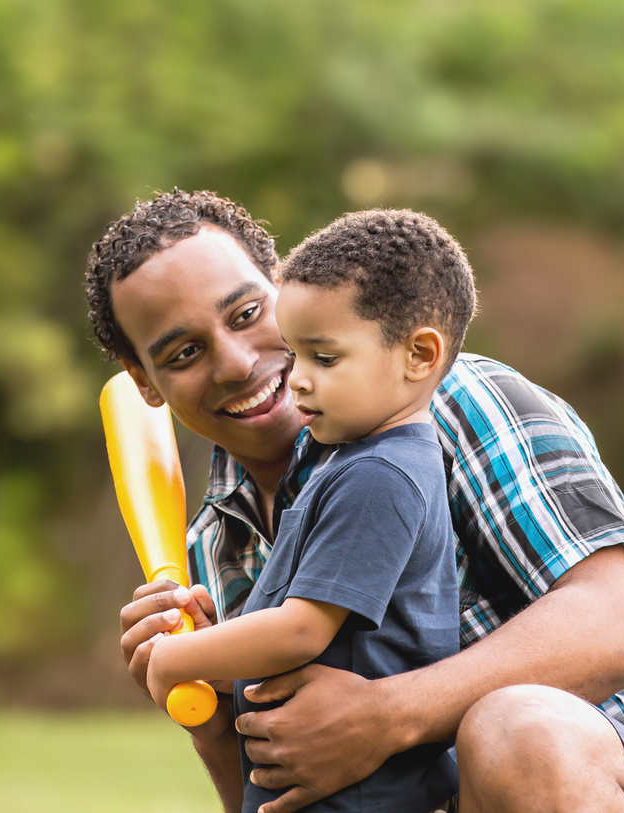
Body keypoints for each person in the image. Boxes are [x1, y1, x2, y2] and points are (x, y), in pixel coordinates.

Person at [85, 189, 624, 813]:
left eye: (246, 312)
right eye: (181, 353)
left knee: (515, 729)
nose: (236, 360)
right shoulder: (215, 549)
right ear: (143, 382)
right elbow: (288, 793)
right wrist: (212, 721)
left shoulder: (448, 405)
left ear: (284, 289)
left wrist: (387, 714)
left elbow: (614, 625)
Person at [145, 209, 474, 813]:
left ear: (419, 357)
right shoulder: (346, 462)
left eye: (324, 359)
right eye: (294, 354)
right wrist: (216, 650)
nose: (295, 381)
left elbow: (301, 630)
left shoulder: (381, 475)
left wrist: (177, 657)